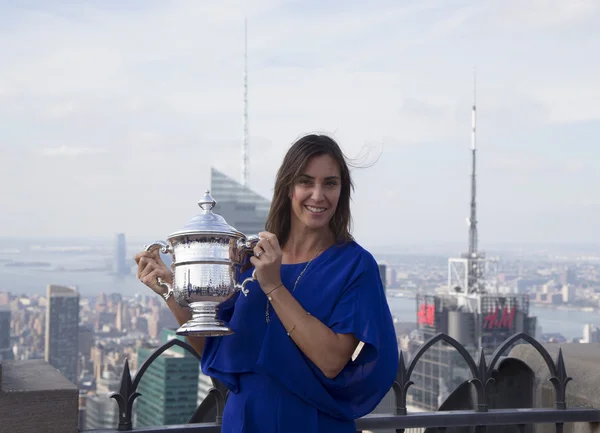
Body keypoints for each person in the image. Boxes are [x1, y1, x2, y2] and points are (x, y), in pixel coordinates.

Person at [135, 134, 399, 432]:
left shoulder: (354, 265)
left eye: (330, 183)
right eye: (305, 181)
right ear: (288, 188)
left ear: (342, 191)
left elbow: (331, 360)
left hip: (312, 422)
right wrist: (172, 291)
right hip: (245, 420)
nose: (317, 195)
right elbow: (214, 348)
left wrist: (274, 286)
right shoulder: (250, 257)